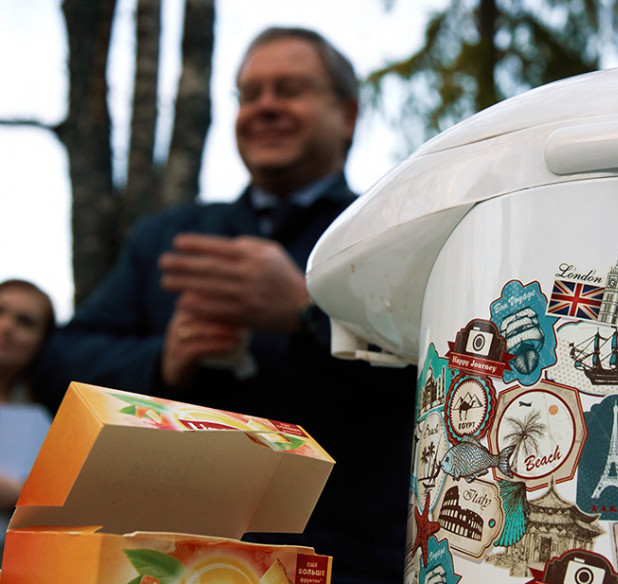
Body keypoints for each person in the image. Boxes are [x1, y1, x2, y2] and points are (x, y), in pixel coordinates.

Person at [34, 27, 415, 584]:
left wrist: (308, 316)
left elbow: (436, 383)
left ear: (348, 115)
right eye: (249, 94)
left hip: (340, 564)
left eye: (289, 89)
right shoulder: (167, 237)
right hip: (160, 562)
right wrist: (162, 361)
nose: (265, 107)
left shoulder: (394, 236)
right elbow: (59, 363)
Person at [0, 279, 55, 560]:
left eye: (25, 322)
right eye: (0, 311)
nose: (6, 326)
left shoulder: (44, 422)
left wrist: (19, 496)